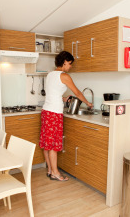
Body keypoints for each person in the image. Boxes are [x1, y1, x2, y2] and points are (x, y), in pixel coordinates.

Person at [39, 51, 93, 181]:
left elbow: (52, 93)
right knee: (53, 145)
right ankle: (56, 173)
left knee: (47, 144)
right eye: (69, 64)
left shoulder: (50, 74)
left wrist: (63, 99)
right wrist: (88, 103)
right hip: (54, 114)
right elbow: (78, 93)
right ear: (64, 62)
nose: (70, 66)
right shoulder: (64, 76)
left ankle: (50, 170)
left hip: (46, 112)